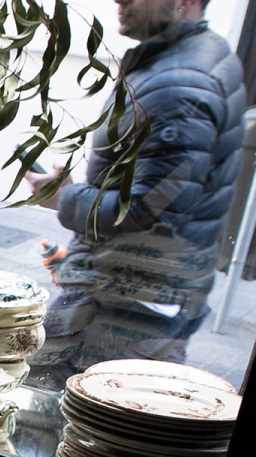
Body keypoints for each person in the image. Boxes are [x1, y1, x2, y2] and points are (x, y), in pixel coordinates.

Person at [23, 0, 246, 385]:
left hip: (125, 305)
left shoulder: (180, 84)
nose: (120, 0)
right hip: (142, 297)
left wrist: (66, 199)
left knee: (81, 418)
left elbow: (148, 211)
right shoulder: (195, 56)